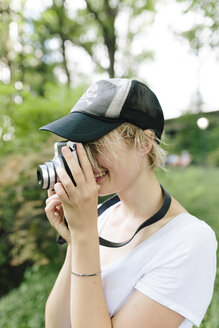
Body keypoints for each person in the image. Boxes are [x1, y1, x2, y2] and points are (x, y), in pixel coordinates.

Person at [40, 79, 217, 328]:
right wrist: (75, 241)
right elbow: (57, 325)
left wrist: (84, 234)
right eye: (80, 146)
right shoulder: (100, 216)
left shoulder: (189, 241)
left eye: (96, 143)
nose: (86, 161)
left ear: (145, 142)